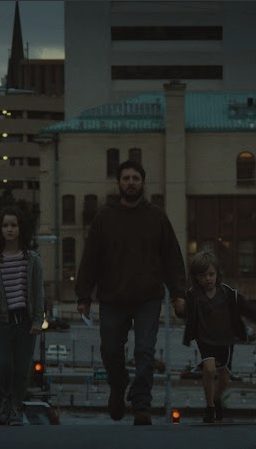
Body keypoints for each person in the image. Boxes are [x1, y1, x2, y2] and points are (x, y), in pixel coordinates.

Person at [75, 159, 187, 426]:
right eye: (126, 178)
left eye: (135, 178)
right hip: (113, 298)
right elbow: (90, 258)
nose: (131, 183)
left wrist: (178, 294)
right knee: (110, 350)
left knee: (145, 352)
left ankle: (141, 405)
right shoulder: (104, 217)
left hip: (148, 298)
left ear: (143, 182)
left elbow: (172, 258)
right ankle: (118, 385)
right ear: (119, 183)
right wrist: (83, 295)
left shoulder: (157, 217)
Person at [175, 250, 256, 423]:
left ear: (217, 274)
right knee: (209, 369)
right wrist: (179, 307)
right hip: (205, 339)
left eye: (211, 274)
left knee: (225, 379)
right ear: (196, 277)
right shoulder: (193, 295)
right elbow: (185, 312)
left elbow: (245, 307)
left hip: (226, 340)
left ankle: (216, 399)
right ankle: (209, 408)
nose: (208, 279)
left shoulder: (228, 293)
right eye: (203, 276)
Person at [0, 206, 45, 426]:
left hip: (26, 322)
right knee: (2, 365)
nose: (9, 229)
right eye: (5, 225)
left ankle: (16, 407)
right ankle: (6, 399)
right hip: (4, 321)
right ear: (0, 229)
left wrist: (38, 320)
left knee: (21, 368)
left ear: (20, 229)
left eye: (14, 225)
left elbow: (38, 292)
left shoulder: (32, 259)